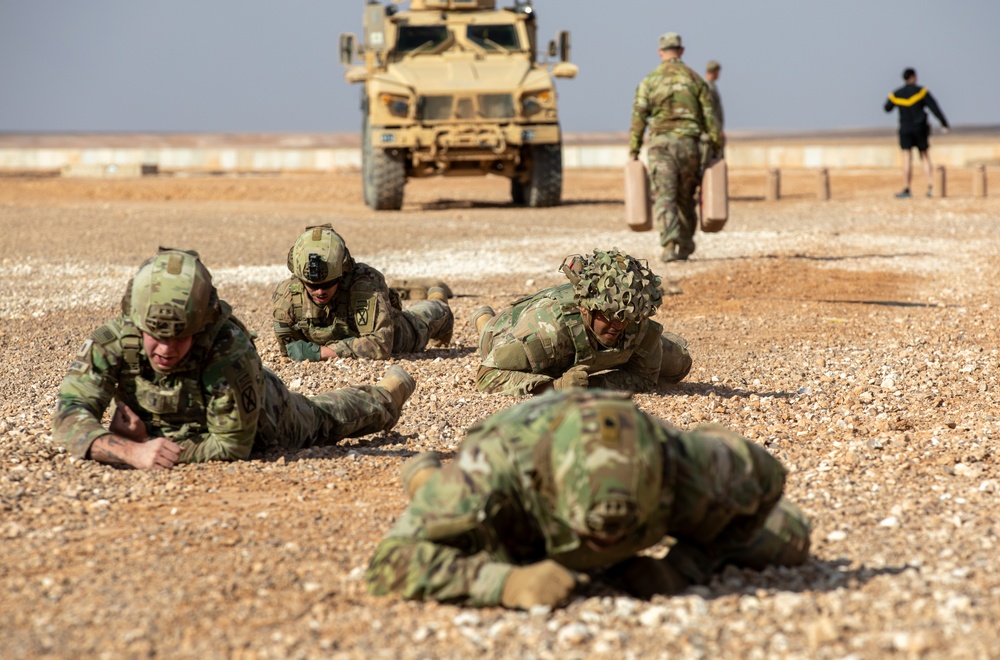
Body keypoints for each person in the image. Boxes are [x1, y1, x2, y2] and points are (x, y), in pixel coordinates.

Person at [366, 390, 812, 608]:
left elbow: (768, 482)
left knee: (792, 537)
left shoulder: (688, 462)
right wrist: (503, 584)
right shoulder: (494, 471)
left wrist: (684, 568)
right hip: (517, 522)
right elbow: (390, 560)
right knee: (456, 523)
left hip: (662, 487)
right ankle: (424, 478)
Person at [52, 248, 416, 470]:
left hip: (265, 419)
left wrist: (154, 442)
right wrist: (129, 450)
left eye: (179, 338)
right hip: (171, 429)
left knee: (323, 419)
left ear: (200, 327)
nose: (165, 349)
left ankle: (385, 395)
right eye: (156, 336)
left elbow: (231, 446)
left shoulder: (229, 349)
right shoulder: (115, 340)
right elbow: (69, 413)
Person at [469, 248, 692, 397]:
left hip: (579, 352)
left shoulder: (634, 320)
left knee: (679, 362)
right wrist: (554, 387)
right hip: (508, 327)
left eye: (625, 317)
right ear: (586, 309)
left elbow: (645, 378)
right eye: (609, 316)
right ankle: (483, 317)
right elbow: (487, 376)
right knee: (489, 336)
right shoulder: (547, 332)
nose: (619, 325)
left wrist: (593, 386)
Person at [272, 224, 454, 362]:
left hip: (399, 335)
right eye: (311, 285)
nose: (320, 291)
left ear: (342, 274)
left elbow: (381, 344)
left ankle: (437, 299)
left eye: (328, 284)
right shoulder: (287, 297)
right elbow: (289, 350)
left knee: (429, 317)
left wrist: (322, 353)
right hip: (350, 338)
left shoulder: (365, 286)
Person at [630, 32, 721, 263]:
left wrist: (634, 148)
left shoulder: (649, 81)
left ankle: (669, 244)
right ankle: (686, 244)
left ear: (661, 52)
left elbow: (639, 117)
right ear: (681, 51)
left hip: (661, 147)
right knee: (686, 196)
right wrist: (716, 146)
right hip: (690, 147)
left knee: (665, 196)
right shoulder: (695, 80)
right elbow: (710, 117)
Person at [884, 68, 950, 199]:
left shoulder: (897, 94)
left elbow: (887, 108)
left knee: (906, 157)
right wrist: (944, 123)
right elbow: (934, 107)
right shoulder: (921, 92)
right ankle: (931, 186)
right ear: (913, 77)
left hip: (905, 129)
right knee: (924, 155)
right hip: (920, 128)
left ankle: (907, 188)